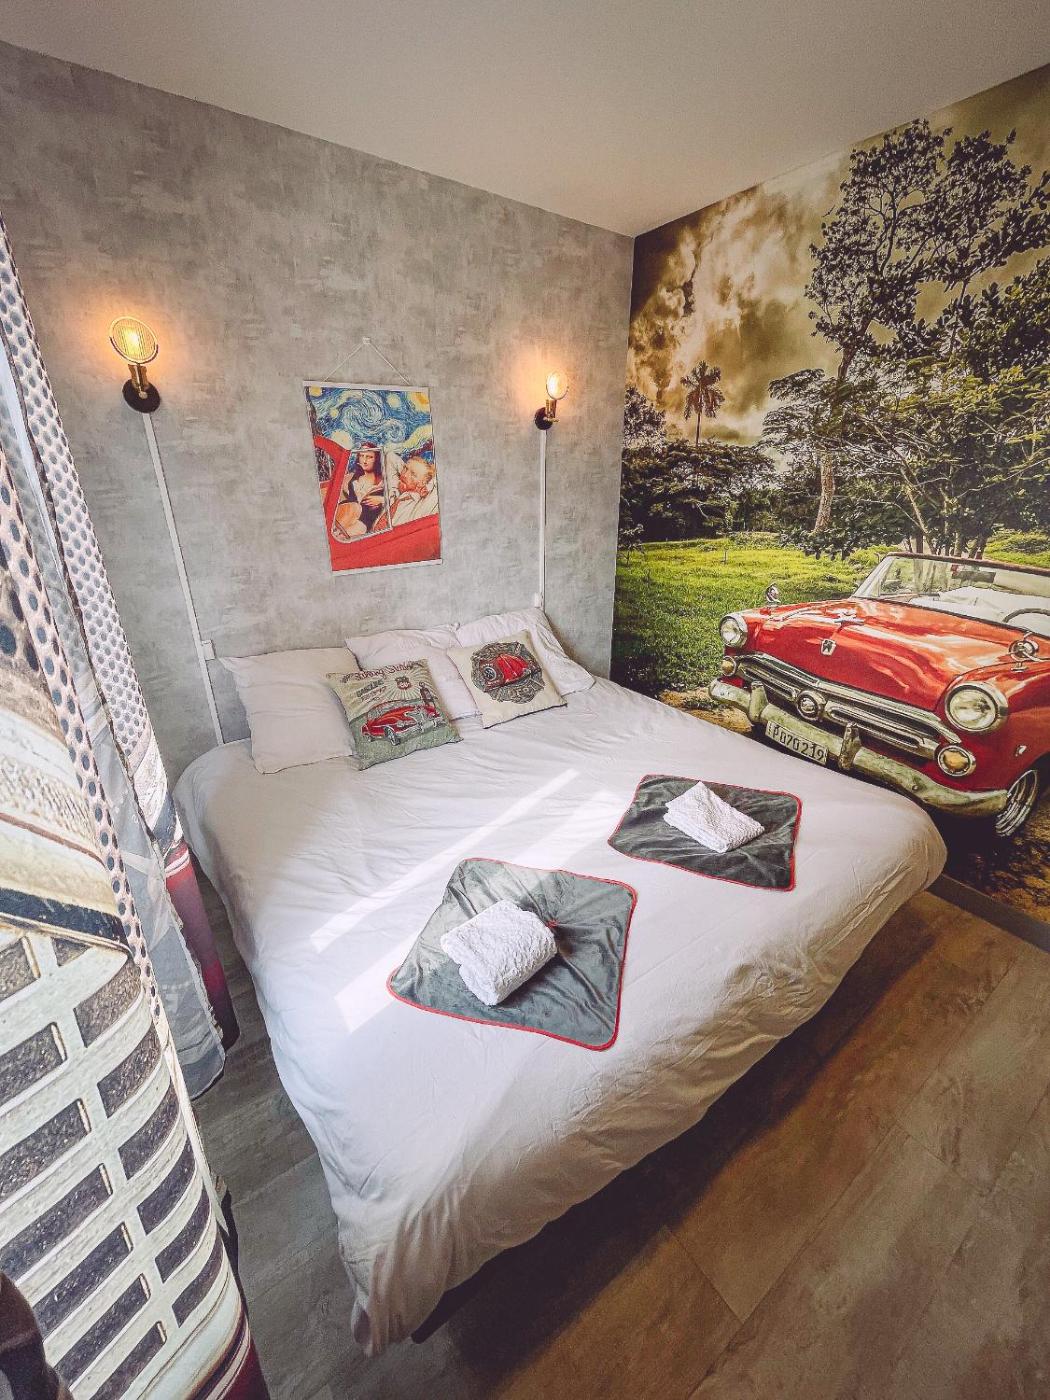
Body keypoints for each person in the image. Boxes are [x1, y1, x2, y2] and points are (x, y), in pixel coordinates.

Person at [329, 443, 386, 542]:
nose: (364, 461)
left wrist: (382, 500)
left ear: (376, 459)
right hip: (349, 520)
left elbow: (395, 499)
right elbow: (351, 504)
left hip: (366, 525)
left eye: (369, 457)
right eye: (361, 456)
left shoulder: (384, 482)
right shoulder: (354, 481)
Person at [374, 454, 439, 530]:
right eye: (405, 468)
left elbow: (440, 479)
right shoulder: (394, 491)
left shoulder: (422, 504)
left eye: (413, 474)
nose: (405, 475)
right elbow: (390, 457)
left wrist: (427, 487)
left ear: (423, 483)